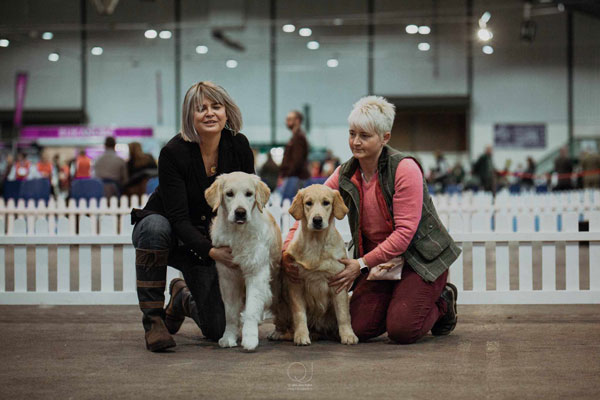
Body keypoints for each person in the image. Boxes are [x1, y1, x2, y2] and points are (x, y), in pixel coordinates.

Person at [282, 96, 461, 344]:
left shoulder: (404, 168)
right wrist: (287, 249)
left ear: (385, 137)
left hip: (419, 259)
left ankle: (442, 302)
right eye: (352, 133)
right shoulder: (345, 172)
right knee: (358, 327)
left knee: (402, 329)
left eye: (365, 136)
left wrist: (361, 263)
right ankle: (399, 299)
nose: (355, 142)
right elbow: (310, 207)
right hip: (381, 264)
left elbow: (404, 235)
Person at [130, 81, 254, 352]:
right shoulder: (173, 153)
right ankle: (154, 322)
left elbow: (249, 202)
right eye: (201, 109)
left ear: (226, 112)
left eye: (216, 107)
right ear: (190, 116)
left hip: (208, 241)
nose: (210, 113)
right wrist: (212, 252)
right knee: (154, 226)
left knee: (217, 330)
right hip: (170, 233)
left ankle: (181, 297)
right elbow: (177, 218)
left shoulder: (239, 146)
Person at [278, 110, 310, 196]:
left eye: (289, 119)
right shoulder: (295, 137)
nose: (287, 122)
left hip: (295, 178)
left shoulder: (299, 137)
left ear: (297, 121)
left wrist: (286, 174)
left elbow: (297, 160)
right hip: (294, 177)